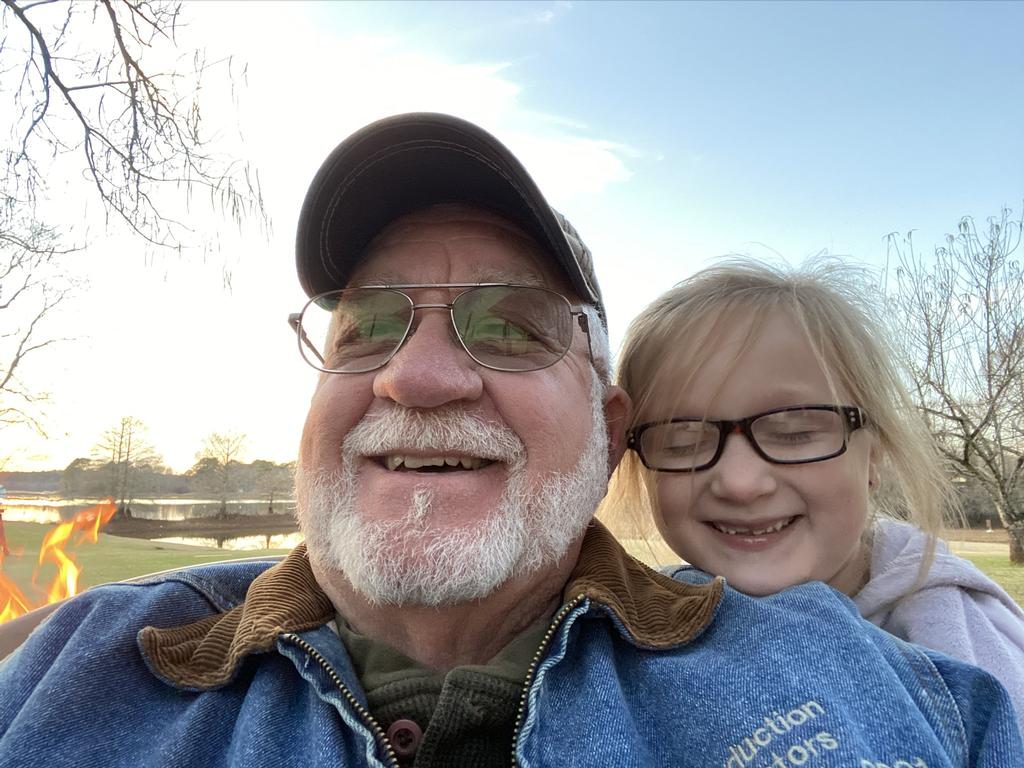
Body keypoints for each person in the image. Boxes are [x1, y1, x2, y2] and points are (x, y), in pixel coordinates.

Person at [0, 115, 1021, 767]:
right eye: (368, 326)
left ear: (607, 430)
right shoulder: (69, 670)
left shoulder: (890, 687)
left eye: (511, 325)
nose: (419, 374)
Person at [612, 257, 1024, 727]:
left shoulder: (971, 655)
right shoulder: (631, 634)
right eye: (681, 441)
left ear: (873, 456)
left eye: (795, 432)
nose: (741, 483)